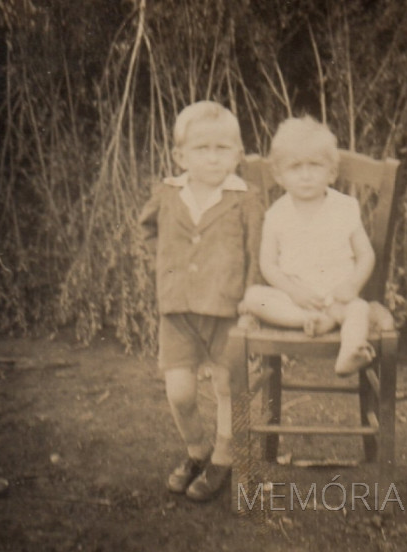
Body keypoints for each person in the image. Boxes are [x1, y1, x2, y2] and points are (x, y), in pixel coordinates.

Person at [140, 101, 262, 502]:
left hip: (227, 312)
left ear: (238, 153)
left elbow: (255, 252)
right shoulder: (169, 192)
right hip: (177, 311)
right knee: (180, 391)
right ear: (180, 155)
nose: (212, 158)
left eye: (223, 148)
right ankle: (197, 449)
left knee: (228, 385)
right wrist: (166, 268)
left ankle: (224, 456)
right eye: (201, 149)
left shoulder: (245, 198)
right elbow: (149, 231)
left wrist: (249, 304)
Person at [240, 116, 376, 377]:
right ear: (279, 175)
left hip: (338, 299)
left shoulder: (345, 207)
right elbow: (268, 264)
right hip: (295, 301)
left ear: (332, 172)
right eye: (295, 167)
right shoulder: (277, 214)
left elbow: (366, 254)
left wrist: (353, 285)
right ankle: (313, 323)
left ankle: (350, 352)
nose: (305, 175)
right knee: (254, 297)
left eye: (315, 165)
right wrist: (293, 292)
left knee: (360, 309)